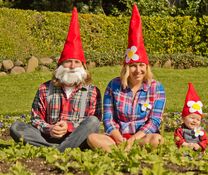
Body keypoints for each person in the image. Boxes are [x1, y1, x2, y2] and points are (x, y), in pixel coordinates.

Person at [10, 8, 102, 152]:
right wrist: (50, 128)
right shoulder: (44, 89)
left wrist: (69, 127)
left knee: (93, 122)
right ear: (60, 65)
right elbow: (35, 118)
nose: (72, 66)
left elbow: (92, 121)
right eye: (68, 62)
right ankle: (60, 149)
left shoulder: (92, 91)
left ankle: (56, 150)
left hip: (76, 137)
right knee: (16, 127)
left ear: (83, 66)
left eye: (76, 62)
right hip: (46, 137)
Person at [87, 4, 166, 152]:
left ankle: (127, 151)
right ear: (126, 68)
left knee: (157, 139)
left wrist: (133, 140)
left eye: (141, 65)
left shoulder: (156, 87)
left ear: (147, 67)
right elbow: (108, 119)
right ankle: (119, 153)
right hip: (118, 137)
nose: (138, 70)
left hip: (141, 137)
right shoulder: (114, 85)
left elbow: (154, 121)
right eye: (133, 66)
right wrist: (119, 138)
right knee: (92, 138)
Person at [174, 83, 208, 152]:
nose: (195, 121)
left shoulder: (200, 131)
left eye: (198, 119)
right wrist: (185, 144)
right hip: (184, 152)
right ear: (183, 118)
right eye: (192, 118)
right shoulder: (180, 130)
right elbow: (177, 139)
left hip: (197, 152)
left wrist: (199, 145)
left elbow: (205, 140)